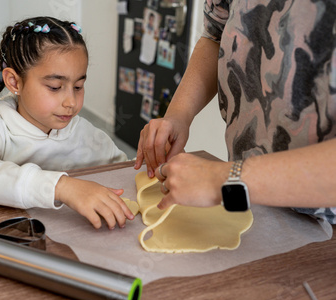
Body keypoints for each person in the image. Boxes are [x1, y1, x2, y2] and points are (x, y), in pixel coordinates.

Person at [134, 0, 336, 224]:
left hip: (325, 217)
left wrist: (223, 178)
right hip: (245, 194)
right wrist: (178, 114)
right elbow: (216, 35)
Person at [0, 17, 134, 229]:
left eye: (78, 86)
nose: (71, 102)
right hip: (8, 238)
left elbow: (123, 172)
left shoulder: (84, 132)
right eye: (55, 87)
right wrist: (62, 187)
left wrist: (155, 165)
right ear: (14, 82)